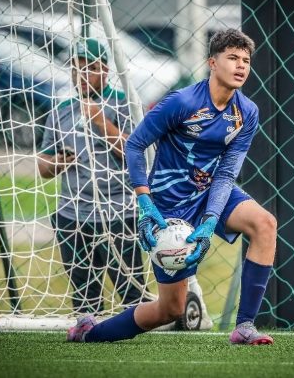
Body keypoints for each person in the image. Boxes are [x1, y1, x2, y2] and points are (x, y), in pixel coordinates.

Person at [67, 29, 277, 345]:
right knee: (170, 309)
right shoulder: (182, 101)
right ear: (212, 62)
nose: (241, 66)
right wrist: (145, 201)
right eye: (232, 58)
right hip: (169, 203)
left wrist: (209, 220)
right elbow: (135, 145)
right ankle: (89, 333)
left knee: (265, 224)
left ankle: (244, 326)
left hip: (210, 191)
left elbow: (226, 174)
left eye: (246, 60)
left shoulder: (247, 112)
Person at [38, 38, 147, 313]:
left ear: (106, 71)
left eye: (92, 68)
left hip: (118, 213)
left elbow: (137, 155)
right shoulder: (61, 110)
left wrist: (101, 122)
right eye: (78, 68)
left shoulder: (126, 104)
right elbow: (43, 166)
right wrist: (58, 163)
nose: (83, 75)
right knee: (85, 303)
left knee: (133, 295)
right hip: (73, 214)